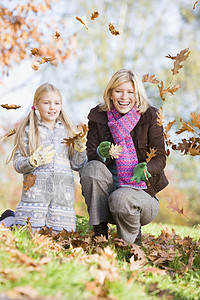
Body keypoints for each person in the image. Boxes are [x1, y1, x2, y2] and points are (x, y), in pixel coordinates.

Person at [79, 69, 169, 245]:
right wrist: (100, 154)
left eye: (130, 92)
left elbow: (160, 158)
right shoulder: (98, 117)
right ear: (110, 93)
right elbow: (90, 155)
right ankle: (99, 231)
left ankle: (131, 244)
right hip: (106, 198)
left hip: (142, 197)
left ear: (137, 94)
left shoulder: (150, 116)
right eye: (118, 91)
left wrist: (146, 168)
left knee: (123, 197)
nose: (124, 97)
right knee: (91, 169)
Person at [0, 83, 87, 232]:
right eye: (46, 103)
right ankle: (9, 219)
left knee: (60, 239)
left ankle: (11, 219)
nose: (52, 107)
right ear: (36, 104)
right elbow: (18, 164)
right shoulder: (29, 131)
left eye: (56, 103)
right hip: (33, 208)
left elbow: (78, 165)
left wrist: (79, 149)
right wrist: (32, 161)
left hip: (62, 210)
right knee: (27, 233)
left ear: (61, 105)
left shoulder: (69, 132)